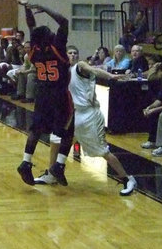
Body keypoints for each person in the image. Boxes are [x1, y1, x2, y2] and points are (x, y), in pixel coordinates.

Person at [53, 46, 136, 194]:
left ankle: (127, 179)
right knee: (62, 143)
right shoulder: (65, 72)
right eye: (70, 53)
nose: (73, 55)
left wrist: (111, 76)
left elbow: (95, 71)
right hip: (77, 115)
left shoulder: (80, 66)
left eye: (75, 53)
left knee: (103, 151)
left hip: (91, 116)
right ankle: (53, 172)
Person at [16, 0, 74, 187]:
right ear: (50, 37)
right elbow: (64, 21)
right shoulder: (57, 47)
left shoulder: (33, 50)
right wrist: (44, 7)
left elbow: (31, 27)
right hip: (59, 94)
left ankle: (26, 162)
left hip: (42, 95)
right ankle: (58, 165)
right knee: (67, 131)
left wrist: (26, 8)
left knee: (35, 130)